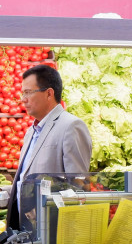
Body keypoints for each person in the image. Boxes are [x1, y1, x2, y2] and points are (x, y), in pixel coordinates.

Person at [6, 64, 92, 231]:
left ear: (49, 93)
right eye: (22, 93)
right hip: (27, 230)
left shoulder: (71, 126)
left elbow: (78, 186)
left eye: (28, 92)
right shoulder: (31, 131)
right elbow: (27, 179)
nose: (23, 99)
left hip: (52, 230)